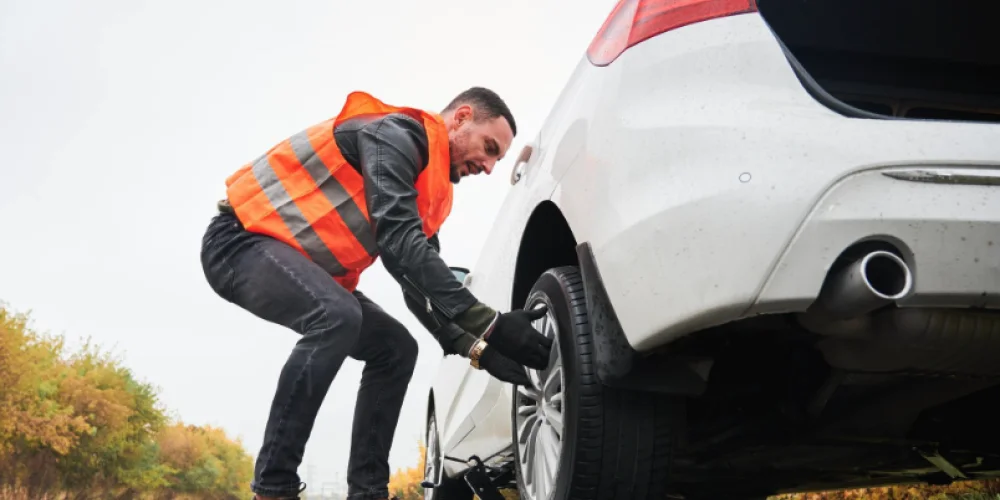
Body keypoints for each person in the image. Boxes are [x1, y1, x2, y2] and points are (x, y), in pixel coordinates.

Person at [199, 87, 554, 500]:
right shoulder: (394, 136)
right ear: (461, 117)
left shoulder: (430, 191)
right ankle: (274, 488)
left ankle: (368, 493)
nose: (489, 167)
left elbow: (417, 281)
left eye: (497, 160)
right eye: (489, 148)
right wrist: (492, 324)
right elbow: (399, 243)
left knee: (396, 348)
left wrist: (480, 350)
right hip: (238, 242)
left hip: (309, 270)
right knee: (337, 317)